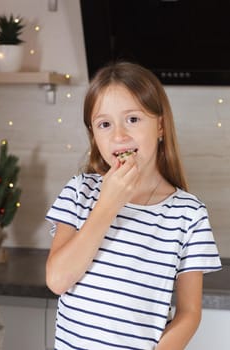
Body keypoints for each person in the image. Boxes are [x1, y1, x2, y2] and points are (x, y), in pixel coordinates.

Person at [46, 61, 222, 350]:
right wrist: (107, 204)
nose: (119, 135)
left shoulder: (188, 215)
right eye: (105, 124)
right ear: (95, 137)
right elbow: (57, 280)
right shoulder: (79, 192)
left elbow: (189, 313)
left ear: (160, 126)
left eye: (133, 119)